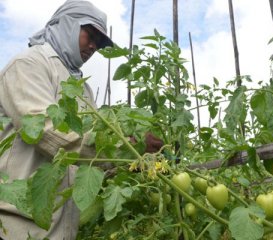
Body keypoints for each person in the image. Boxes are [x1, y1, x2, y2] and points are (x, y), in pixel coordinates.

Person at [0, 0, 162, 239]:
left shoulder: (82, 87)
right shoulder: (29, 64)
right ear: (66, 25)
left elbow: (89, 157)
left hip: (62, 225)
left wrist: (132, 162)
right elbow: (45, 132)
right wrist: (126, 148)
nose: (93, 46)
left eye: (98, 43)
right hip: (19, 224)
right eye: (90, 35)